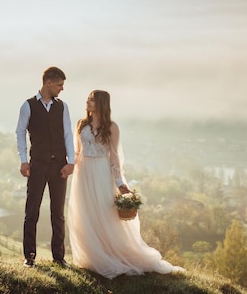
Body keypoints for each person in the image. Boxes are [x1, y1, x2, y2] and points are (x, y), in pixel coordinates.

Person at [67, 90, 185, 279]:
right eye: (88, 98)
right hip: (82, 175)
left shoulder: (112, 127)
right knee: (85, 215)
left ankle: (109, 255)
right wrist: (68, 168)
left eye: (91, 99)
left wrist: (120, 182)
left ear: (101, 104)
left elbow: (113, 156)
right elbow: (77, 152)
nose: (87, 102)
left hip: (101, 174)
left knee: (104, 214)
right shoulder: (81, 124)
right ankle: (91, 257)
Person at [16, 66, 75, 268]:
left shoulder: (62, 107)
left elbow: (68, 134)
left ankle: (59, 257)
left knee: (57, 212)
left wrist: (71, 162)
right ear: (48, 83)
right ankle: (29, 257)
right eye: (60, 85)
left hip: (59, 165)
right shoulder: (28, 106)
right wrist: (23, 160)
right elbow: (20, 132)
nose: (62, 89)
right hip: (37, 165)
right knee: (32, 211)